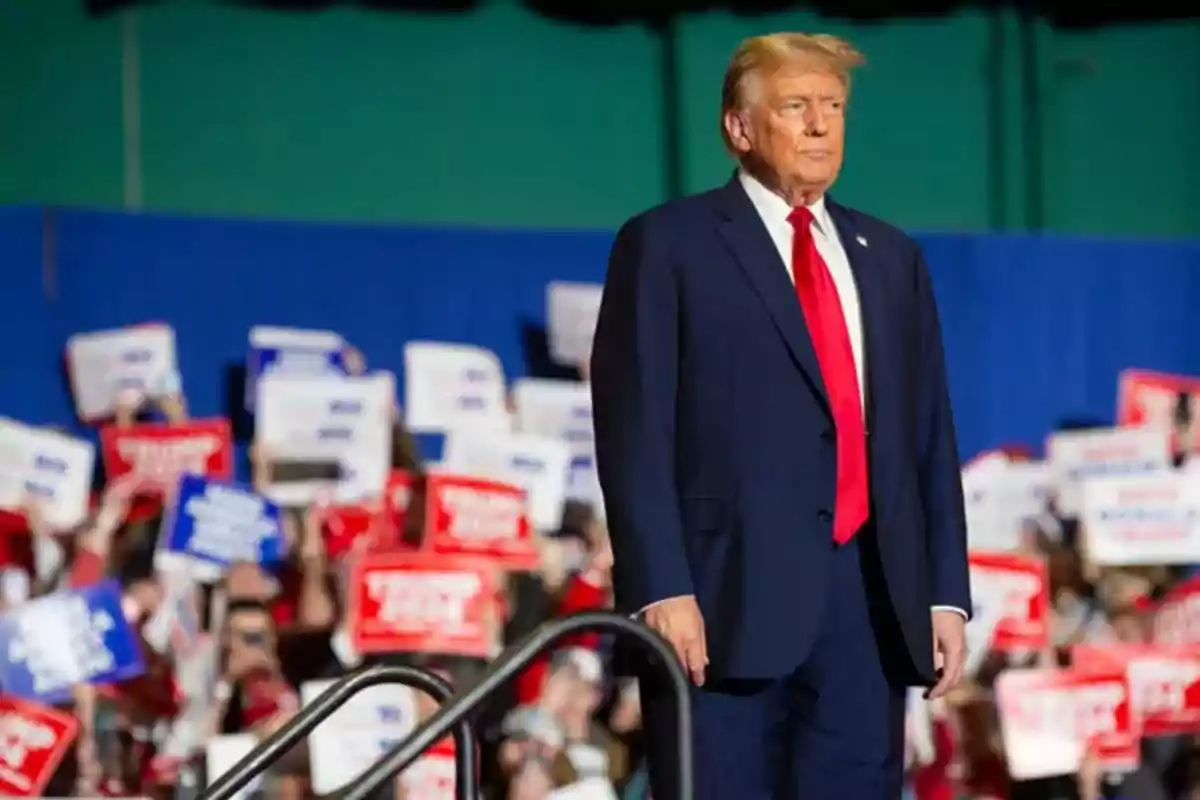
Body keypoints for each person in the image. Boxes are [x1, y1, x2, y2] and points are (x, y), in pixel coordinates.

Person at [589, 32, 971, 800]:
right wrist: (661, 587)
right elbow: (633, 431)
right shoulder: (668, 244)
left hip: (869, 610)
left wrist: (944, 593)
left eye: (833, 108)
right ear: (739, 127)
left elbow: (926, 434)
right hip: (720, 607)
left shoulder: (891, 257)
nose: (821, 126)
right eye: (797, 107)